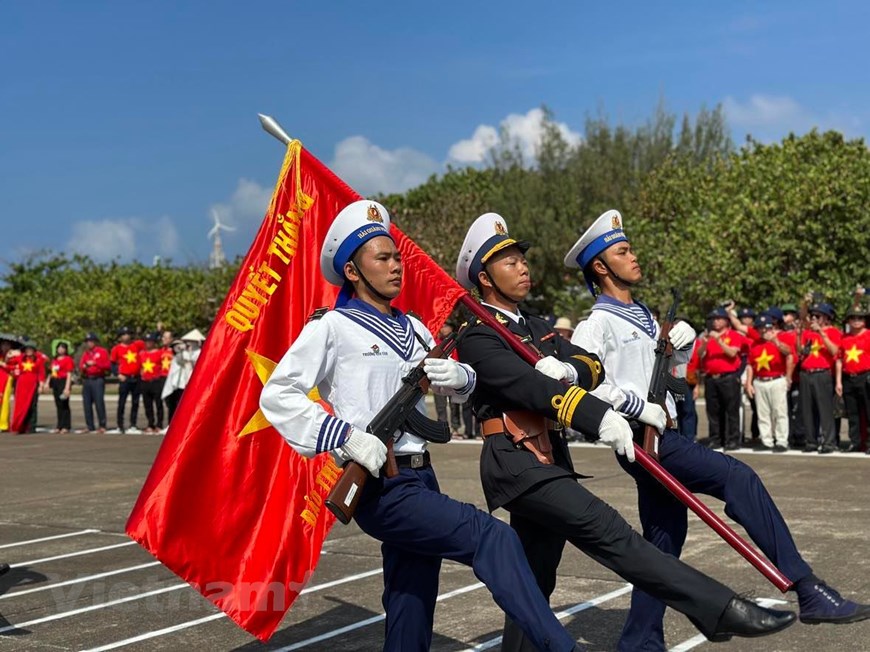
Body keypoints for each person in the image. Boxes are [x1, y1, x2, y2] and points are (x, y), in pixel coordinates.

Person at [455, 212, 795, 651]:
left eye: (522, 258)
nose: (523, 267)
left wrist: (569, 367)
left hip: (550, 457)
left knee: (535, 580)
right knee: (610, 532)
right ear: (484, 278)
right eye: (509, 262)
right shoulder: (478, 335)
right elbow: (533, 389)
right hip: (515, 462)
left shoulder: (538, 329)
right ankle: (715, 607)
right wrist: (594, 414)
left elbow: (590, 366)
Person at [261, 200, 586, 652]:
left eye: (396, 257)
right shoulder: (332, 327)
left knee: (411, 595)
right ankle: (557, 645)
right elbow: (277, 394)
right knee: (493, 537)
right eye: (382, 257)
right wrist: (344, 436)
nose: (396, 266)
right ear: (352, 271)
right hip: (381, 482)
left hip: (422, 474)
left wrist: (462, 377)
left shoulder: (412, 327)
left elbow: (458, 382)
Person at [566, 209, 870, 651]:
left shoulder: (647, 316)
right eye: (622, 251)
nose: (633, 257)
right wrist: (636, 407)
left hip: (665, 433)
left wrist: (679, 353)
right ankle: (807, 588)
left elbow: (673, 380)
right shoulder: (596, 325)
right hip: (643, 439)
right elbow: (586, 382)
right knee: (737, 477)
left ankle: (638, 643)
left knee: (662, 545)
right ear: (600, 266)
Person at [744, 313, 794, 452]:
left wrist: (775, 341)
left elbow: (788, 352)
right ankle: (766, 440)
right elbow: (750, 365)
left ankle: (782, 441)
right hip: (760, 381)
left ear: (771, 327)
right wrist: (749, 383)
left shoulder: (780, 338)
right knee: (763, 413)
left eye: (765, 328)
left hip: (777, 379)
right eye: (760, 328)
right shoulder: (754, 343)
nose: (763, 331)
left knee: (780, 412)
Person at [697, 307, 745, 450]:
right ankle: (716, 439)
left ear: (726, 321)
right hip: (711, 378)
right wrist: (705, 343)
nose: (716, 322)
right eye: (713, 319)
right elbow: (700, 354)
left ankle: (733, 439)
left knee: (731, 410)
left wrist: (719, 341)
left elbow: (732, 353)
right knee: (713, 411)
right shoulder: (706, 336)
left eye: (719, 319)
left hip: (728, 377)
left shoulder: (734, 335)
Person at [798, 302, 841, 453]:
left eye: (818, 316)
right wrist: (800, 333)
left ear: (827, 318)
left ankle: (828, 442)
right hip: (806, 373)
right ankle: (811, 441)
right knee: (808, 410)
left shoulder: (833, 331)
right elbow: (800, 351)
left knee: (825, 410)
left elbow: (835, 351)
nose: (814, 319)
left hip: (822, 373)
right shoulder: (808, 333)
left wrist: (822, 333)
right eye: (812, 316)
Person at [835, 305, 870, 453]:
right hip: (848, 378)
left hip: (866, 377)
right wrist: (838, 381)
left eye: (860, 318)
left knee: (869, 412)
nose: (856, 321)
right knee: (852, 413)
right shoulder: (844, 338)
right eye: (853, 318)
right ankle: (855, 442)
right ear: (848, 321)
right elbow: (839, 360)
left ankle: (869, 443)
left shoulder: (869, 335)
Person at [161, 329, 204, 424]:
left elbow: (194, 361)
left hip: (192, 383)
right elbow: (177, 353)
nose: (189, 344)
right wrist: (182, 349)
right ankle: (171, 424)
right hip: (179, 383)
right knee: (173, 405)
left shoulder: (199, 352)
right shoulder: (183, 352)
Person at [110, 327, 143, 434]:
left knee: (135, 402)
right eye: (124, 334)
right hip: (125, 378)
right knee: (122, 402)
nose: (126, 336)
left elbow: (147, 342)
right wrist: (118, 374)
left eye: (128, 334)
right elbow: (113, 364)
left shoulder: (136, 345)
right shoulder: (116, 349)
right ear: (120, 337)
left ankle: (133, 424)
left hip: (136, 377)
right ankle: (120, 425)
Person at [11, 340, 45, 433]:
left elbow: (41, 373)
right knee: (21, 405)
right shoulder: (20, 358)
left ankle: (31, 426)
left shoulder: (39, 360)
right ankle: (20, 425)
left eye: (30, 349)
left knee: (32, 406)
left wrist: (41, 385)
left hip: (33, 385)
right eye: (27, 349)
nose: (28, 351)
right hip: (22, 385)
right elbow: (10, 362)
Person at [79, 332, 111, 433]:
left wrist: (95, 363)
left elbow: (107, 365)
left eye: (91, 341)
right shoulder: (86, 353)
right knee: (87, 403)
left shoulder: (102, 352)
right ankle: (89, 425)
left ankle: (102, 425)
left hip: (98, 379)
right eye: (88, 342)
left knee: (99, 402)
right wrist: (84, 367)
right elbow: (81, 365)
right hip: (87, 379)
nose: (89, 343)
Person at [139, 333, 165, 434]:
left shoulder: (160, 353)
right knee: (147, 404)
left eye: (150, 341)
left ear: (154, 342)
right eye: (146, 341)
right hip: (145, 381)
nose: (148, 343)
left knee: (158, 404)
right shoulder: (142, 353)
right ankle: (150, 423)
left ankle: (159, 424)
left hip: (156, 381)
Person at [49, 341, 75, 433]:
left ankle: (66, 426)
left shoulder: (68, 359)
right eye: (59, 348)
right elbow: (51, 372)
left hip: (63, 381)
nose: (61, 350)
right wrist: (47, 382)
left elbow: (69, 374)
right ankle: (59, 425)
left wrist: (67, 387)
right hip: (55, 381)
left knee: (64, 404)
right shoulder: (55, 360)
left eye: (63, 348)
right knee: (58, 404)